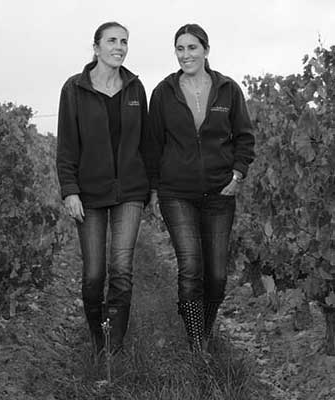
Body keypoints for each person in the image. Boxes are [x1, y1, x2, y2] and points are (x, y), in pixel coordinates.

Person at [145, 24, 256, 353]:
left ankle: (204, 327)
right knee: (191, 268)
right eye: (180, 49)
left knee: (217, 276)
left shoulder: (228, 90)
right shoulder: (164, 92)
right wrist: (153, 189)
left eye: (192, 48)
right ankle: (197, 343)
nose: (186, 55)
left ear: (206, 50)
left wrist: (237, 176)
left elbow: (245, 138)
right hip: (176, 193)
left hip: (220, 194)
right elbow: (153, 145)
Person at [56, 21, 152, 358]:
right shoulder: (74, 89)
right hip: (89, 194)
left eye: (124, 41)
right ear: (96, 47)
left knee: (122, 270)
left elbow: (146, 143)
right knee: (94, 274)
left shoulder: (135, 89)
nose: (119, 47)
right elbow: (67, 145)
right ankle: (98, 336)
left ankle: (114, 348)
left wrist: (147, 187)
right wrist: (70, 190)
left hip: (130, 191)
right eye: (112, 41)